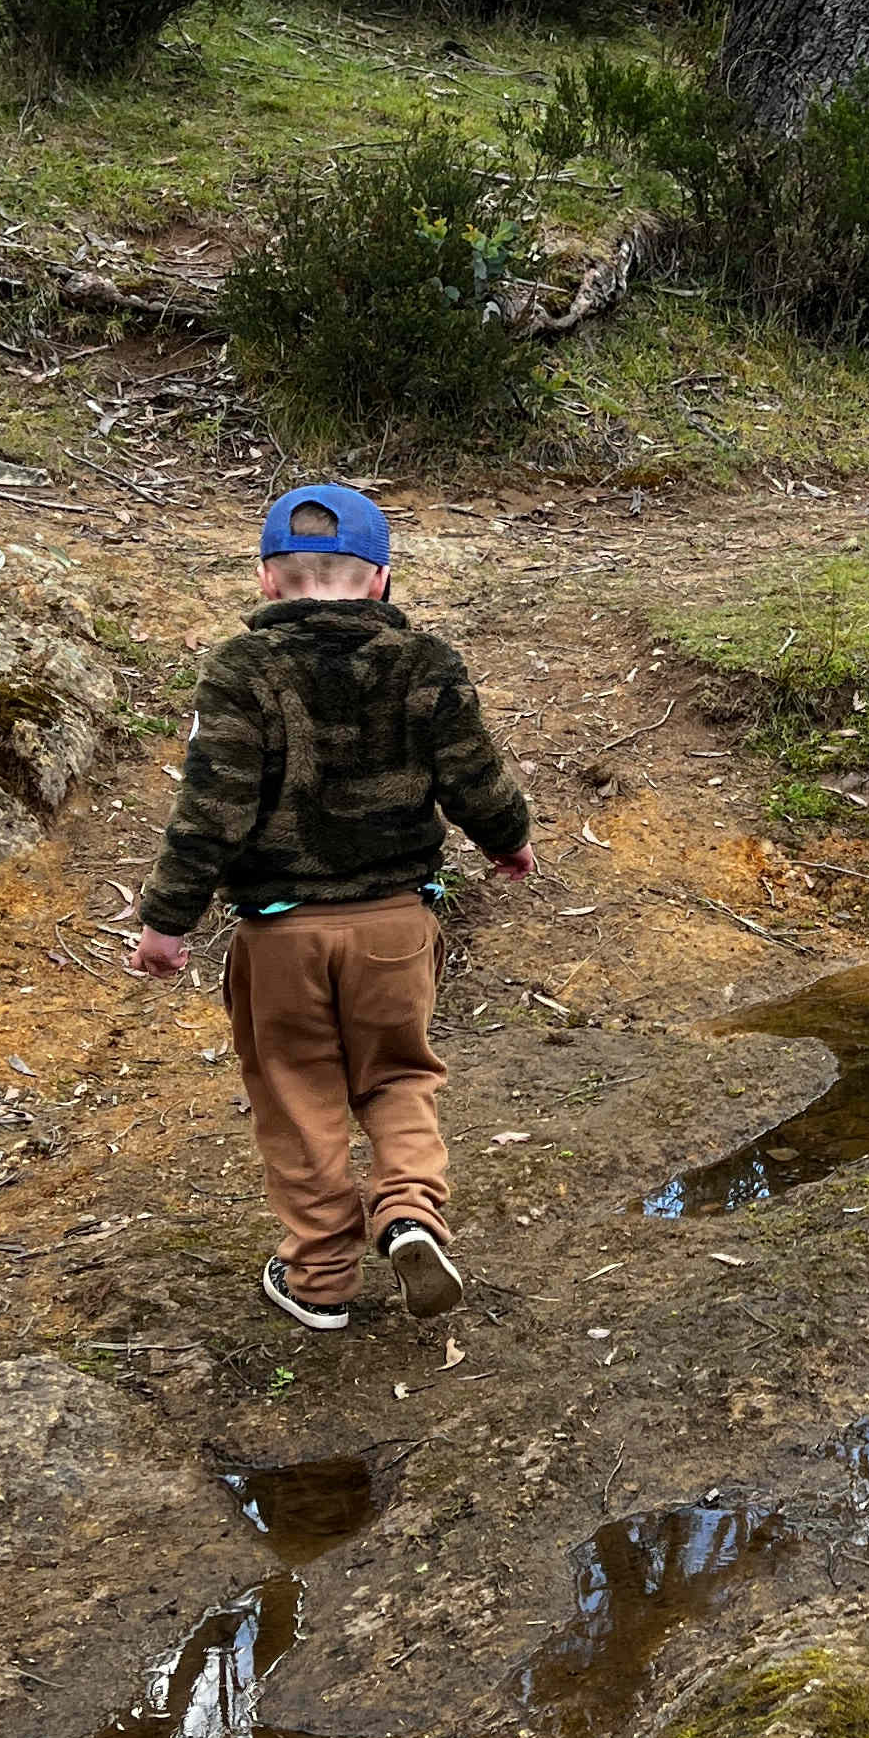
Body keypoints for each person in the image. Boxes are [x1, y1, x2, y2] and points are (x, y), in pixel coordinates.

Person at [130, 480, 534, 1334]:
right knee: (398, 1075)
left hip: (280, 934)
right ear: (381, 578)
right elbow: (475, 776)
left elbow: (213, 808)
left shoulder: (242, 671)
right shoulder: (427, 665)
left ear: (269, 579)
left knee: (299, 1092)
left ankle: (320, 1277)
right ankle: (412, 1214)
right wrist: (508, 842)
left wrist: (169, 921)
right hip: (395, 923)